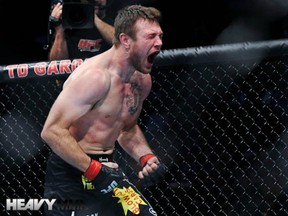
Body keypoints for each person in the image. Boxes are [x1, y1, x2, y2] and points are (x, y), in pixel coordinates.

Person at [41, 4, 166, 216]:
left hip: (108, 170)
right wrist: (94, 171)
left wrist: (146, 158)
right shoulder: (94, 77)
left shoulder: (141, 80)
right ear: (126, 40)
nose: (159, 43)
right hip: (70, 173)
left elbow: (126, 128)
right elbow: (51, 131)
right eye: (151, 36)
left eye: (160, 36)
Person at [48, 0, 115, 61]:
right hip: (75, 72)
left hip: (104, 71)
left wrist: (93, 17)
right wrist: (59, 30)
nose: (94, 1)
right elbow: (56, 63)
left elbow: (121, 43)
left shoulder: (113, 23)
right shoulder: (69, 25)